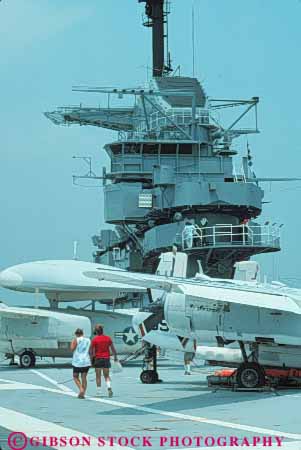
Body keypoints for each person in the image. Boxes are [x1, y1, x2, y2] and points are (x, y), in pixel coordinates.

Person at [90, 324, 118, 398]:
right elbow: (113, 349)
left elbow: (91, 351)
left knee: (98, 376)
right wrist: (115, 357)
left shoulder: (94, 339)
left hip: (98, 359)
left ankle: (99, 392)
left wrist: (91, 360)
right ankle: (109, 388)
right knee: (106, 376)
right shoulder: (108, 338)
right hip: (106, 359)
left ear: (96, 331)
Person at [70, 328, 91, 399]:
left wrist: (72, 343)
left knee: (75, 376)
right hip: (86, 360)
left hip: (77, 361)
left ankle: (81, 389)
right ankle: (83, 394)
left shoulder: (75, 340)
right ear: (82, 333)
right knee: (84, 377)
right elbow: (90, 351)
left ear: (76, 334)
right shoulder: (88, 340)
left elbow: (72, 349)